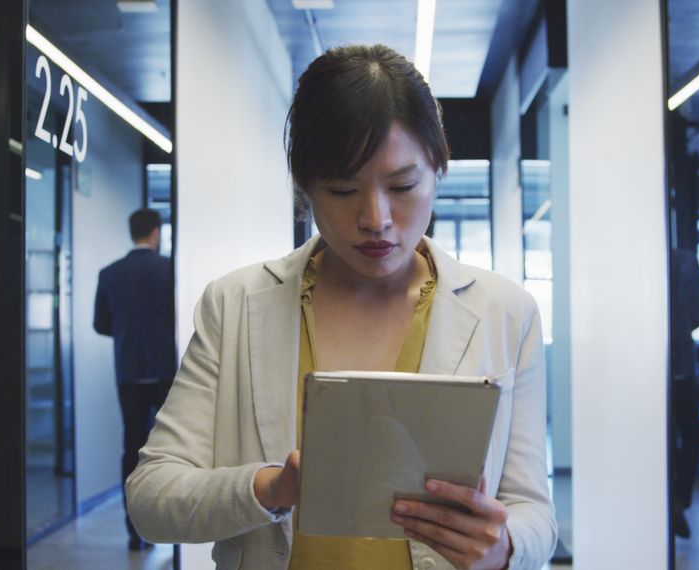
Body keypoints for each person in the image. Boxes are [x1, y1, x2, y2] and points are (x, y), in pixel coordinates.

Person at [126, 44, 556, 569]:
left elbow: (533, 509)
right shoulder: (235, 306)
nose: (375, 218)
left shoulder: (506, 313)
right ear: (304, 189)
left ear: (439, 167)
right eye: (342, 189)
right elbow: (151, 496)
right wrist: (271, 488)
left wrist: (503, 547)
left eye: (402, 185)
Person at [94, 208, 175, 551]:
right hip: (165, 370)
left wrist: (128, 333)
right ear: (156, 233)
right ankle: (168, 526)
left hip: (128, 372)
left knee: (132, 448)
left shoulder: (110, 273)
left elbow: (100, 324)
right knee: (171, 448)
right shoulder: (170, 269)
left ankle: (134, 531)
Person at [669, 247, 699, 539]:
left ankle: (668, 499)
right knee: (690, 435)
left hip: (651, 370)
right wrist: (681, 327)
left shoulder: (644, 261)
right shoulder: (685, 261)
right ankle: (679, 499)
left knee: (664, 439)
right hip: (682, 364)